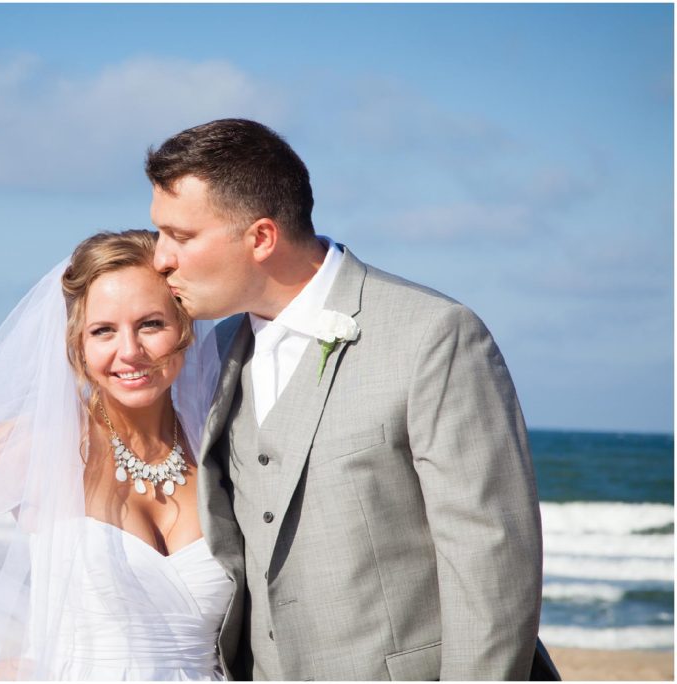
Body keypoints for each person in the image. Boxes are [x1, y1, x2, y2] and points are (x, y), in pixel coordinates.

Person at [145, 118, 559, 681]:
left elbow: (493, 559)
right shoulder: (217, 348)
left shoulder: (433, 335)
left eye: (182, 236)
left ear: (261, 238)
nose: (160, 258)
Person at [0, 230, 233, 680]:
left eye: (151, 324)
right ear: (78, 344)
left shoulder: (218, 446)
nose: (129, 351)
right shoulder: (42, 442)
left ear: (184, 328)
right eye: (103, 331)